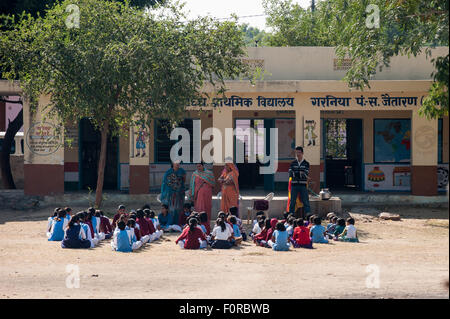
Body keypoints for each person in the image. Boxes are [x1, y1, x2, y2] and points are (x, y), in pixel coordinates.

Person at [160, 160, 186, 226]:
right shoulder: (168, 172)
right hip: (170, 195)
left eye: (178, 162)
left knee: (178, 209)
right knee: (171, 209)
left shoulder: (182, 171)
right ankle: (171, 223)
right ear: (172, 163)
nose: (177, 164)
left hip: (179, 194)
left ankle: (177, 223)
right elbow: (165, 183)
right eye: (176, 162)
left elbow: (184, 181)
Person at [288, 146, 311, 216]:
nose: (298, 154)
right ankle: (290, 216)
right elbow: (290, 174)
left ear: (302, 153)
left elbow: (305, 174)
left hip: (303, 185)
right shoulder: (292, 163)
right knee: (292, 202)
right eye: (296, 152)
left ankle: (308, 216)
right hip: (294, 185)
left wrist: (296, 173)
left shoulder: (306, 163)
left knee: (306, 202)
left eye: (299, 152)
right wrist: (301, 173)